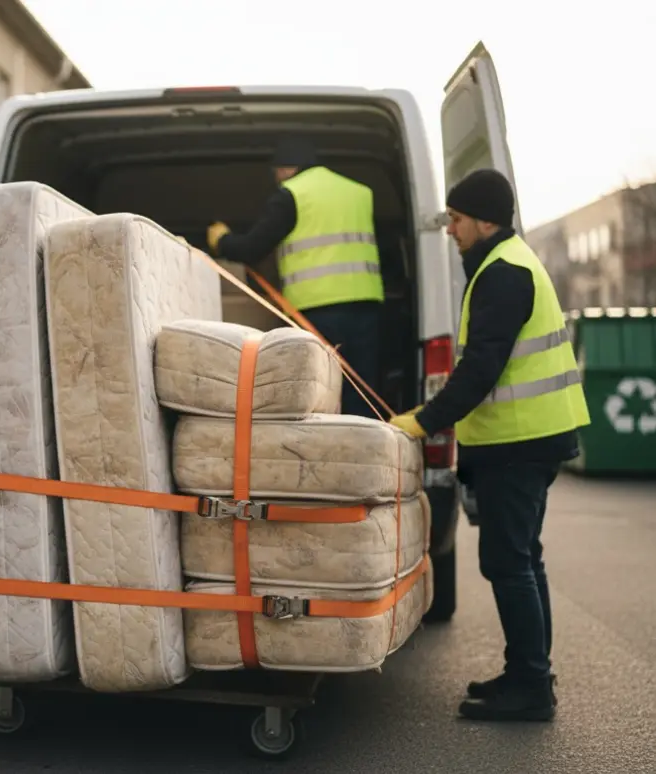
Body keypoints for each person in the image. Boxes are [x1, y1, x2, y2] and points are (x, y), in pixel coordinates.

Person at [390, 168, 590, 723]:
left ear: (485, 220)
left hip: (520, 441)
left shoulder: (503, 272)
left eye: (455, 220)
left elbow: (481, 369)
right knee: (524, 558)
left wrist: (423, 421)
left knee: (509, 563)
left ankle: (530, 688)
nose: (449, 230)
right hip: (530, 437)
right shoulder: (505, 264)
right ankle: (530, 673)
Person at [206, 136, 385, 418]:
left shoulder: (291, 195)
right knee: (361, 390)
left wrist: (222, 240)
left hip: (317, 312)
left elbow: (252, 248)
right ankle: (363, 452)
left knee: (319, 391)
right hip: (366, 306)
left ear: (285, 169)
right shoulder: (359, 192)